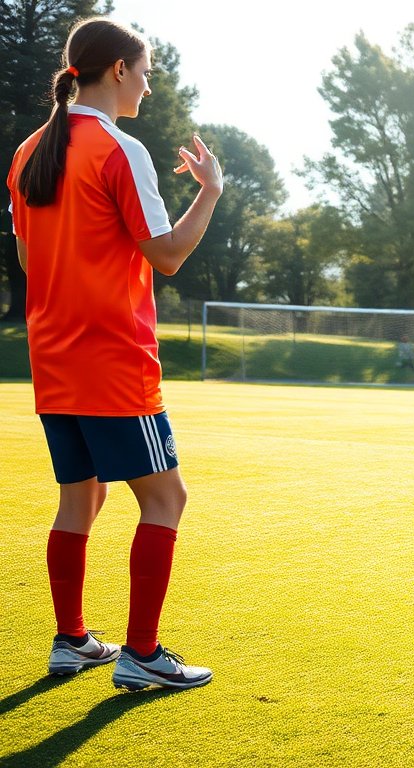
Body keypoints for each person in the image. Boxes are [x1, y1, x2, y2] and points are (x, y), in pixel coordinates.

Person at [7, 17, 223, 689]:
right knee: (166, 498)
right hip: (113, 361)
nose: (151, 87)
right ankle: (142, 655)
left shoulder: (26, 153)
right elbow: (167, 257)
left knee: (81, 500)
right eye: (148, 72)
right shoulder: (119, 149)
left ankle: (71, 641)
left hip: (53, 360)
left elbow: (25, 258)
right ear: (118, 71)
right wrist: (210, 189)